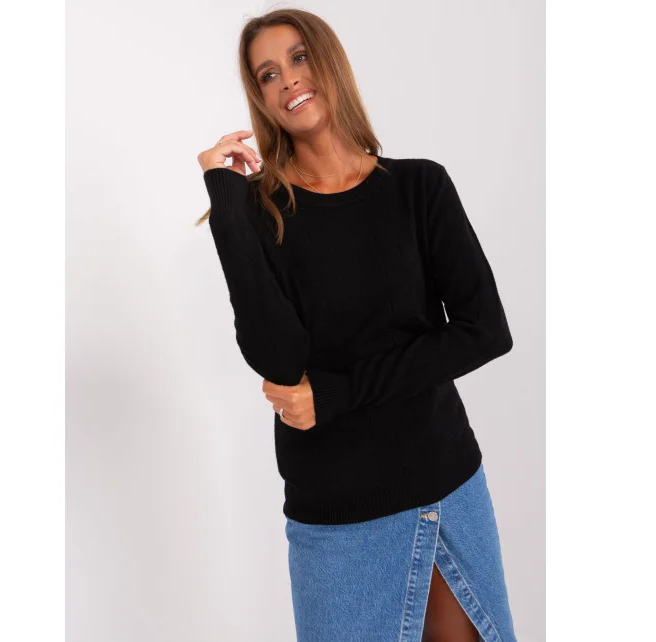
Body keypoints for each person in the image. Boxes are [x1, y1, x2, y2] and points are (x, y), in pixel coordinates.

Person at [196, 9, 518, 642]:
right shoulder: (261, 213)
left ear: (329, 61)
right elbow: (278, 361)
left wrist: (338, 393)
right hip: (336, 514)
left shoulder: (419, 187)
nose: (288, 80)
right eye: (267, 74)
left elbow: (485, 330)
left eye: (298, 58)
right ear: (260, 99)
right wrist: (227, 204)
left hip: (442, 486)